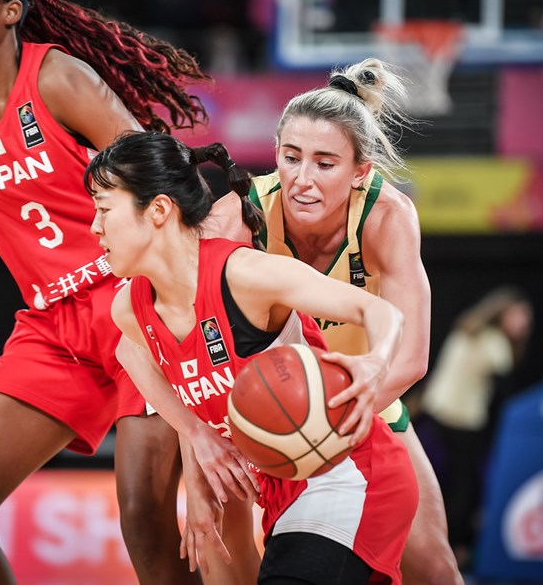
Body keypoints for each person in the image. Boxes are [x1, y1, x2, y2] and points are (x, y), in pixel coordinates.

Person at [0, 0, 213, 584]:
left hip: (137, 310)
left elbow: (159, 174)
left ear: (11, 10)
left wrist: (205, 291)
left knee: (146, 521)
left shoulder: (57, 79)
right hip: (54, 328)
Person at [86, 132, 419, 585]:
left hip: (348, 471)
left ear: (159, 210)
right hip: (282, 492)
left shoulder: (243, 275)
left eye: (104, 209)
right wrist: (194, 432)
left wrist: (376, 361)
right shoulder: (131, 309)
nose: (94, 227)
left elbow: (377, 310)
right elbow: (131, 352)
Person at [245, 59, 464, 584]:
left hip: (367, 399)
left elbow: (410, 358)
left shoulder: (386, 216)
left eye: (325, 163)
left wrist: (323, 427)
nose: (301, 178)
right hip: (270, 411)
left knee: (434, 567)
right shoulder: (246, 209)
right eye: (290, 157)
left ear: (360, 170)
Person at [417, 286, 533, 570]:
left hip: (436, 413)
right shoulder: (495, 343)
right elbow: (507, 395)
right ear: (503, 313)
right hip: (463, 420)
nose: (524, 324)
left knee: (442, 484)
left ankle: (440, 547)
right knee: (466, 489)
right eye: (519, 316)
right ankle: (454, 551)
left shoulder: (466, 330)